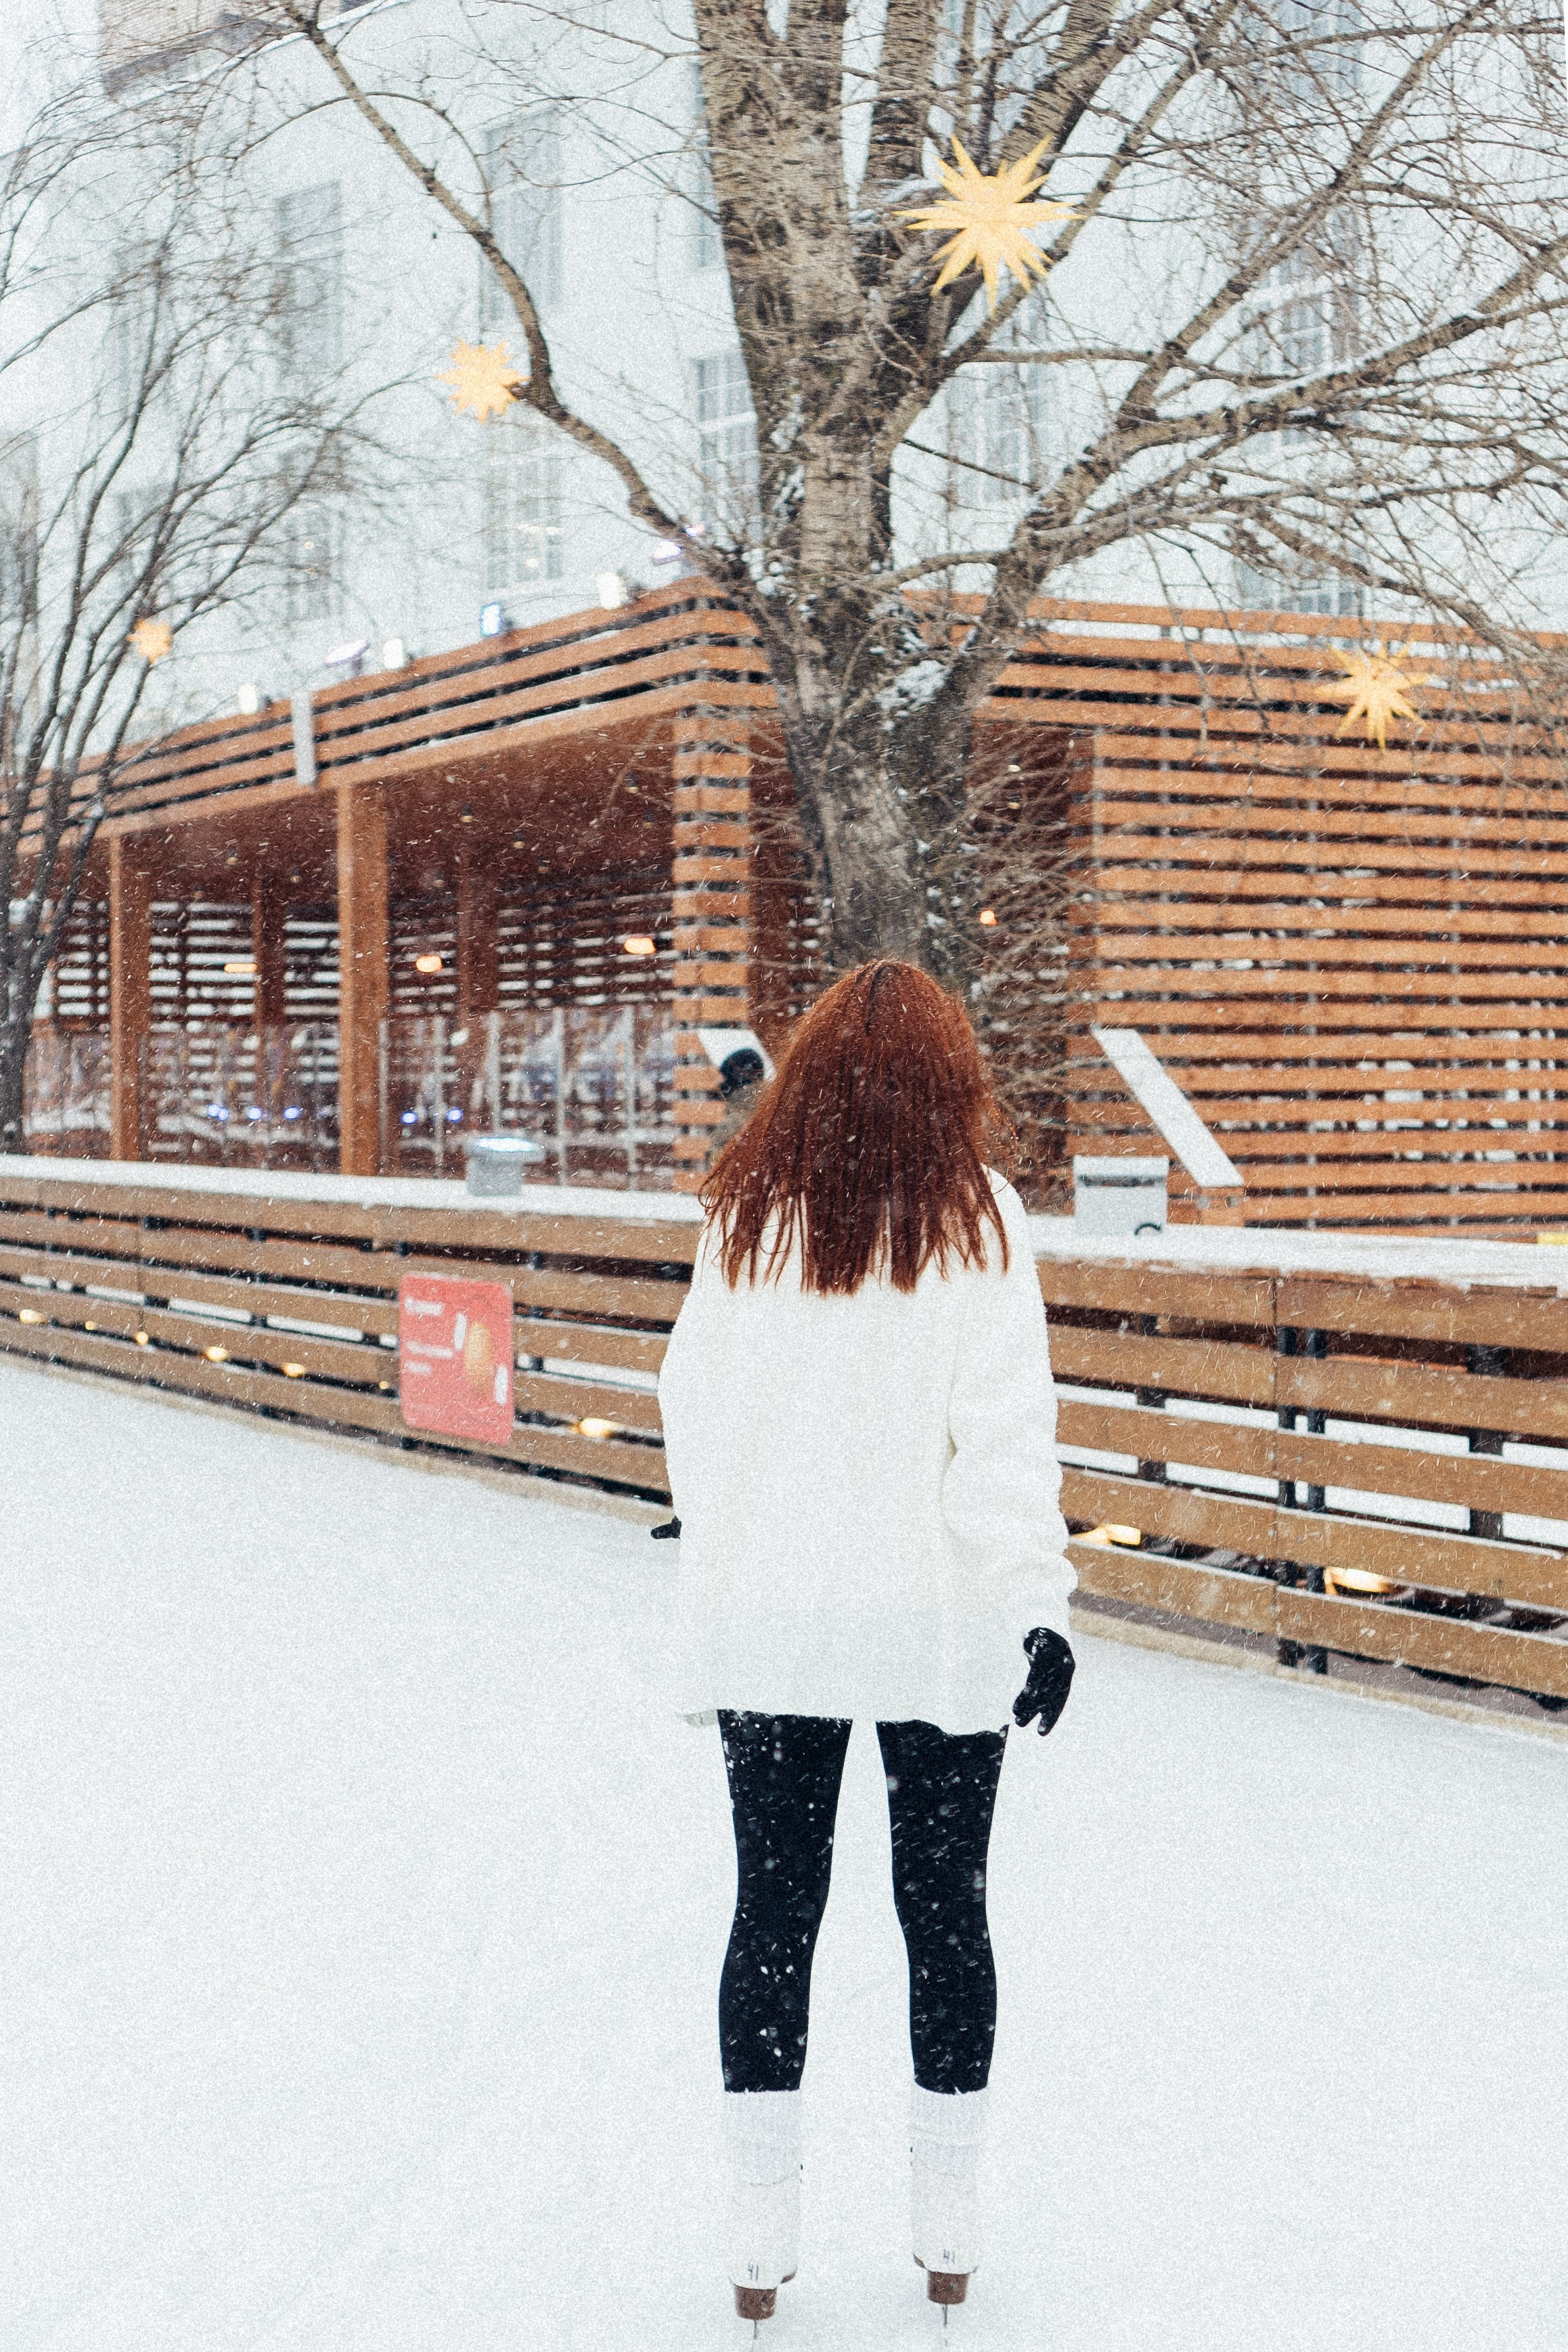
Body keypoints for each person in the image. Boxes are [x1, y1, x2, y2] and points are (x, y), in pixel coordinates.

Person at [656, 958, 1077, 2329]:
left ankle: (758, 2235)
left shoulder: (745, 1223)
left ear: (813, 1075)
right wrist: (1036, 1603)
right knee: (944, 1912)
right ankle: (946, 2223)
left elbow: (691, 1417)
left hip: (776, 1631)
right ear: (952, 1085)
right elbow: (1001, 1448)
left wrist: (741, 1554)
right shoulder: (984, 1225)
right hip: (933, 1628)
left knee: (773, 1912)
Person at [708, 1044, 767, 1166]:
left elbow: (718, 1171)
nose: (719, 1083)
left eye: (724, 1076)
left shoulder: (734, 1124)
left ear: (737, 1078)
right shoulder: (771, 1104)